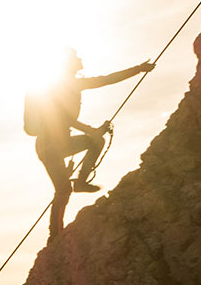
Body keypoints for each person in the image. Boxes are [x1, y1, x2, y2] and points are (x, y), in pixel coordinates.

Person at [26, 47, 155, 239]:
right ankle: (57, 230)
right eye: (76, 58)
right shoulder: (63, 86)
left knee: (66, 184)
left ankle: (77, 189)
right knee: (64, 187)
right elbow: (63, 118)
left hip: (53, 145)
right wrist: (91, 130)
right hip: (52, 146)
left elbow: (105, 80)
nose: (80, 59)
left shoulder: (67, 85)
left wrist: (138, 69)